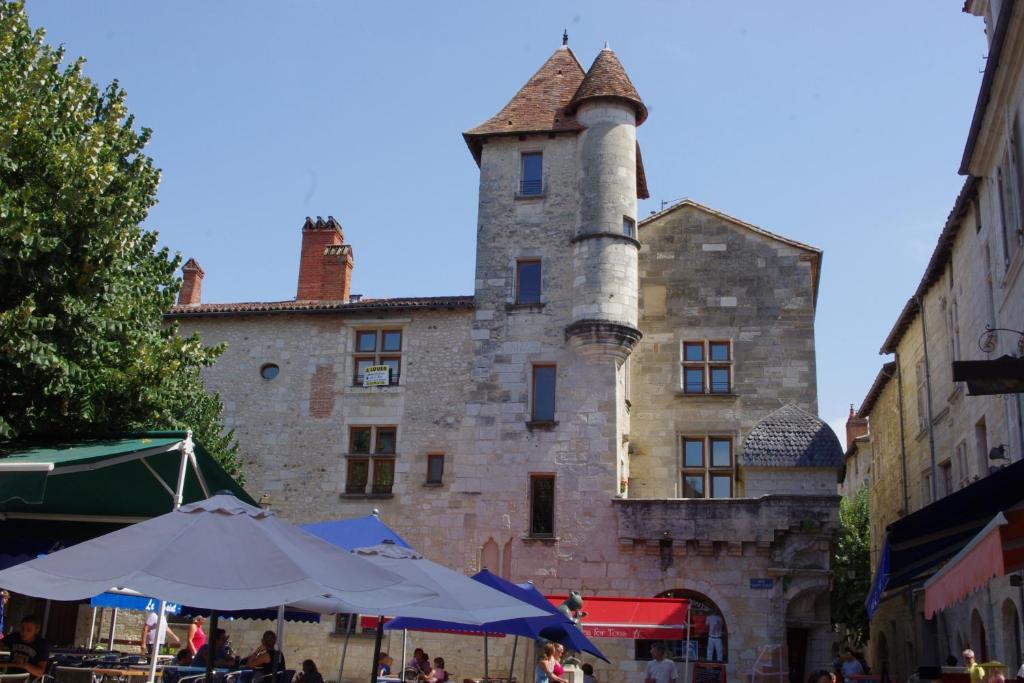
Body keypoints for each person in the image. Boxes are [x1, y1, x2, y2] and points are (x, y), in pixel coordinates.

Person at [4, 614, 50, 678]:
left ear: (36, 630)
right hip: (10, 676)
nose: (24, 632)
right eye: (22, 628)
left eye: (29, 630)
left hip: (30, 679)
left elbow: (40, 672)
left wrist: (24, 665)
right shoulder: (13, 637)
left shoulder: (42, 645)